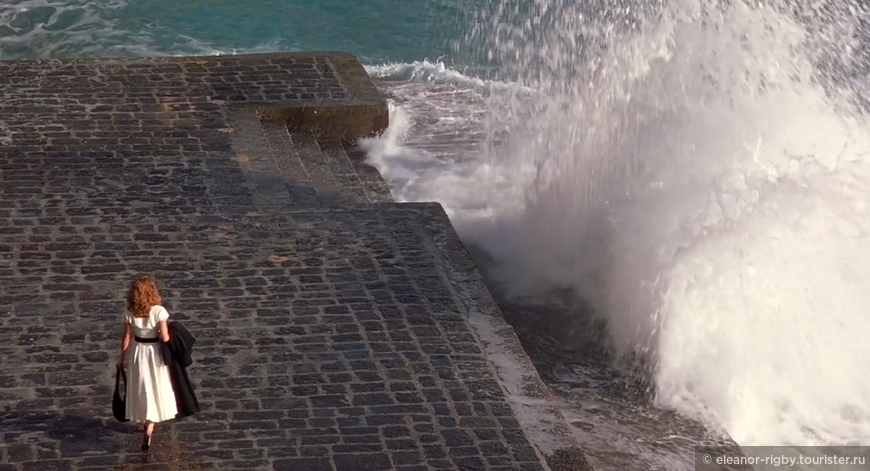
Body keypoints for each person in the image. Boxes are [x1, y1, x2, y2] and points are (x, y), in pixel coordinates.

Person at [116, 276, 178, 452]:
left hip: (138, 352)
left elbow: (126, 338)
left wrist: (121, 358)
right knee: (155, 385)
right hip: (154, 351)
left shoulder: (130, 312)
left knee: (141, 385)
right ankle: (150, 425)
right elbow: (165, 337)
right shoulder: (159, 311)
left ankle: (144, 419)